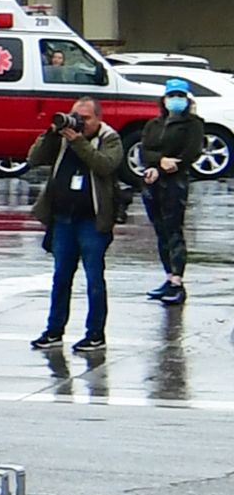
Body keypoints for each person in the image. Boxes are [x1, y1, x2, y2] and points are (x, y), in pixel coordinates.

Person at [25, 94, 134, 356]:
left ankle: (95, 334)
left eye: (85, 119)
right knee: (61, 278)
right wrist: (52, 133)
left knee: (94, 278)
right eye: (76, 117)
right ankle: (54, 330)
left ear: (98, 118)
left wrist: (79, 141)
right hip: (63, 219)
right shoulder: (63, 137)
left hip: (92, 221)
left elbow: (105, 165)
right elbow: (34, 158)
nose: (79, 123)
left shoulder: (110, 138)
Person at [138, 85, 203, 306]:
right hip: (153, 181)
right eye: (171, 96)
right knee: (160, 230)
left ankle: (177, 281)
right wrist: (156, 163)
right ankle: (167, 276)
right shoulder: (153, 124)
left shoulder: (193, 125)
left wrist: (167, 164)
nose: (175, 100)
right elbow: (144, 150)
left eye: (180, 96)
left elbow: (191, 152)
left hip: (175, 182)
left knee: (174, 229)